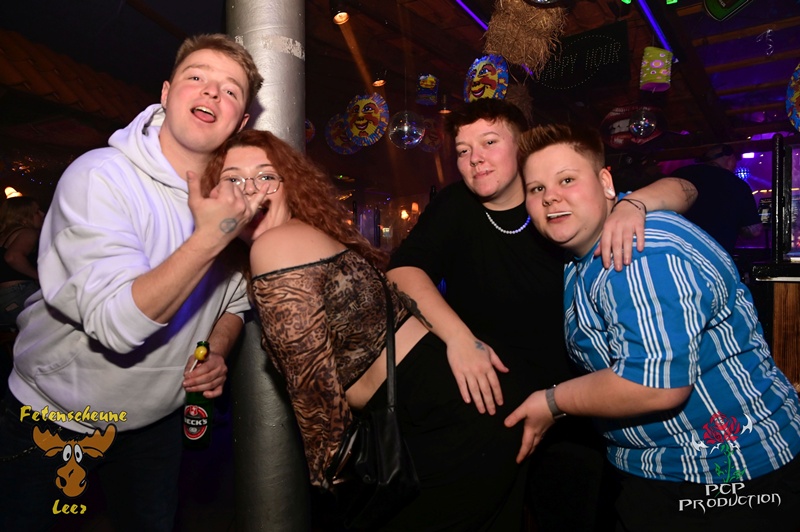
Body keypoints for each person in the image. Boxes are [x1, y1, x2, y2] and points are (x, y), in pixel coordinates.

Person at [386, 98, 697, 531]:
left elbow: (686, 189)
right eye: (462, 150)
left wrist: (634, 205)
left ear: (521, 148)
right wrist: (459, 339)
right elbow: (402, 271)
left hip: (578, 403)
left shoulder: (566, 202)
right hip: (492, 402)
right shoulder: (456, 206)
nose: (475, 158)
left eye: (489, 142)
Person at [0, 34, 267, 532]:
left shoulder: (233, 198)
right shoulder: (100, 176)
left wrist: (216, 350)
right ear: (165, 93)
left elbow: (234, 300)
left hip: (155, 427)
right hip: (54, 417)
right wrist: (210, 238)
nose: (212, 92)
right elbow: (117, 324)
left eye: (230, 90)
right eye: (196, 77)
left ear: (241, 121)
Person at [203, 128, 530, 531]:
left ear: (290, 187)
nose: (251, 190)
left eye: (266, 176)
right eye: (233, 179)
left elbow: (315, 393)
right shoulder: (297, 240)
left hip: (445, 419)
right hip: (453, 411)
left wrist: (334, 490)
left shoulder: (275, 245)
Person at [509, 123, 800, 531]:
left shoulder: (635, 256)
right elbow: (686, 188)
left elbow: (655, 384)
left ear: (605, 183)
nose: (550, 196)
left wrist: (552, 402)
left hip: (724, 478)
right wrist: (636, 202)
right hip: (680, 469)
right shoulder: (597, 237)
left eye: (567, 179)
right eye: (536, 188)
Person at [671, 143, 763, 257]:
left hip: (674, 253)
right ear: (729, 160)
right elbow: (754, 231)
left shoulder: (679, 175)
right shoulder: (735, 183)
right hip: (714, 258)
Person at [0, 196, 44, 330]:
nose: (42, 214)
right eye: (37, 211)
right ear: (24, 216)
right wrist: (39, 276)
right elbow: (13, 257)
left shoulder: (4, 235)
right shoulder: (28, 233)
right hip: (20, 292)